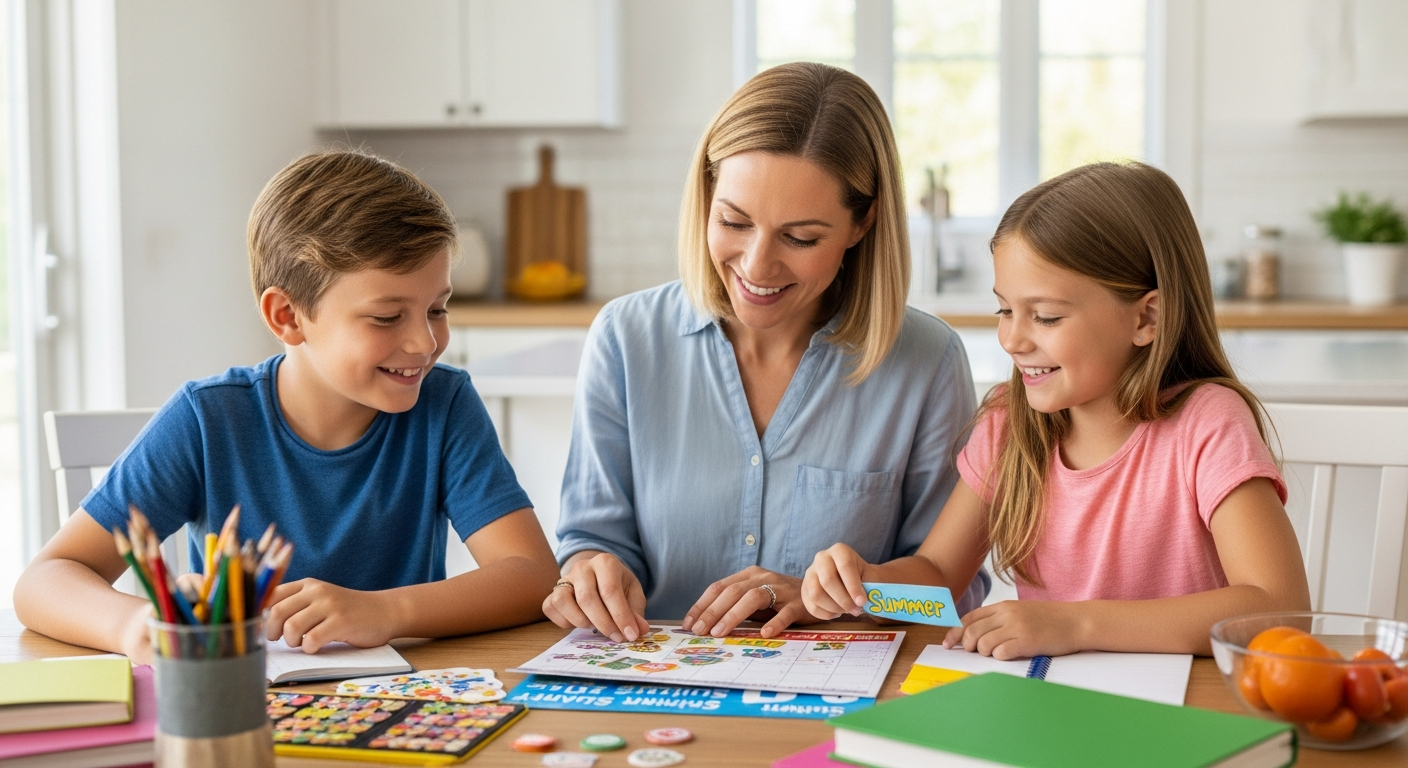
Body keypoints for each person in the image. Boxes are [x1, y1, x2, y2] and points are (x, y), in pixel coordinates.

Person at [13, 149, 560, 664]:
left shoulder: (444, 405)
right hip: (241, 710)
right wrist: (139, 626)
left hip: (401, 705)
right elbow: (45, 580)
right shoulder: (207, 421)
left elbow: (531, 573)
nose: (424, 342)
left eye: (437, 308)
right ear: (287, 317)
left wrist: (387, 611)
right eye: (387, 317)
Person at [543, 62, 987, 644]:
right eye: (734, 221)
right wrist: (588, 572)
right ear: (706, 198)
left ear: (863, 222)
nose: (756, 267)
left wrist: (830, 595)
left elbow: (948, 595)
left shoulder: (926, 362)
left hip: (844, 692)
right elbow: (589, 543)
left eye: (801, 238)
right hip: (656, 684)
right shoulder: (627, 338)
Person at [802, 161, 1311, 658]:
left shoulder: (1206, 424)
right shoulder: (1008, 425)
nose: (1012, 339)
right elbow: (936, 580)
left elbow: (1277, 608)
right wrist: (866, 587)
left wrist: (1075, 622)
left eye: (1045, 317)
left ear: (1146, 317)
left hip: (1184, 711)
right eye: (1005, 309)